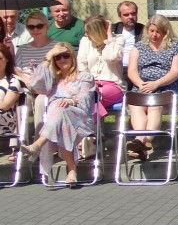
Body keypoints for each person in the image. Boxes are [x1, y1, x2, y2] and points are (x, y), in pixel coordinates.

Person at [17, 42, 95, 187]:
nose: (62, 59)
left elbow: (85, 98)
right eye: (57, 57)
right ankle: (71, 171)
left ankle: (38, 144)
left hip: (80, 117)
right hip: (60, 122)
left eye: (66, 55)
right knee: (61, 118)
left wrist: (71, 100)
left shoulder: (85, 77)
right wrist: (47, 58)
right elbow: (35, 85)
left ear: (73, 57)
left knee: (60, 110)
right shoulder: (52, 80)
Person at [125, 14, 178, 159]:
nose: (154, 35)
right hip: (143, 87)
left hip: (167, 88)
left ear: (166, 31)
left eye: (158, 32)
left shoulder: (176, 47)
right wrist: (140, 84)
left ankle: (140, 140)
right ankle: (141, 145)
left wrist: (156, 84)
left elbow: (175, 72)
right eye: (151, 31)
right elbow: (132, 70)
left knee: (154, 106)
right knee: (136, 105)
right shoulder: (139, 47)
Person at [14, 11, 56, 142]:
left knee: (40, 102)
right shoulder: (23, 49)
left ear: (46, 26)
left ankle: (38, 143)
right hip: (27, 88)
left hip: (47, 88)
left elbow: (59, 71)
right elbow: (16, 69)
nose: (35, 30)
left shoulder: (56, 46)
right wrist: (26, 79)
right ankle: (19, 142)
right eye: (31, 27)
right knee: (19, 99)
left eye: (39, 26)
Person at [77, 14, 126, 118]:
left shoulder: (118, 39)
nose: (86, 34)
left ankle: (88, 127)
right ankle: (93, 127)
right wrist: (90, 83)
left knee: (93, 97)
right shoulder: (85, 41)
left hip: (114, 85)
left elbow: (111, 58)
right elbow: (82, 65)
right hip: (91, 84)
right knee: (89, 96)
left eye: (88, 32)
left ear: (96, 32)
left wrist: (109, 37)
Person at [112, 1, 144, 79]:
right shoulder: (113, 30)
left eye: (133, 13)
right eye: (126, 15)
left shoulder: (144, 30)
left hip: (137, 70)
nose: (130, 17)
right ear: (120, 17)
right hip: (116, 70)